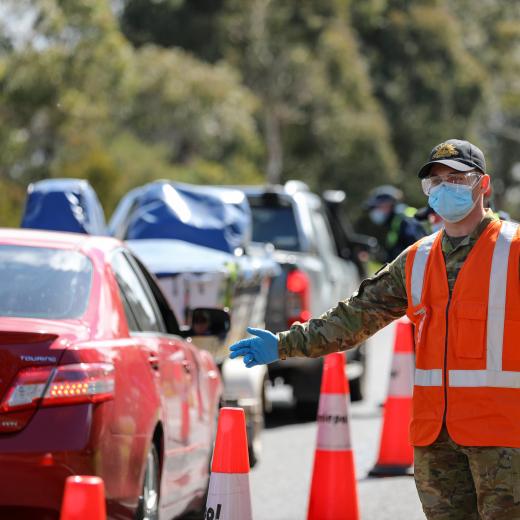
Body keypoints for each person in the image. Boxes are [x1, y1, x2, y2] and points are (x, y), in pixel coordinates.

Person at [230, 139, 520, 519]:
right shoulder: (417, 260)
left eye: (457, 178)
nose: (445, 188)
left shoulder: (514, 249)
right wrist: (286, 344)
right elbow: (354, 317)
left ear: (484, 186)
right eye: (436, 181)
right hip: (437, 442)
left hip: (504, 442)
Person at [363, 184, 426, 262]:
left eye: (378, 207)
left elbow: (418, 252)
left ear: (389, 204)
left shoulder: (406, 221)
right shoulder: (395, 223)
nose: (375, 211)